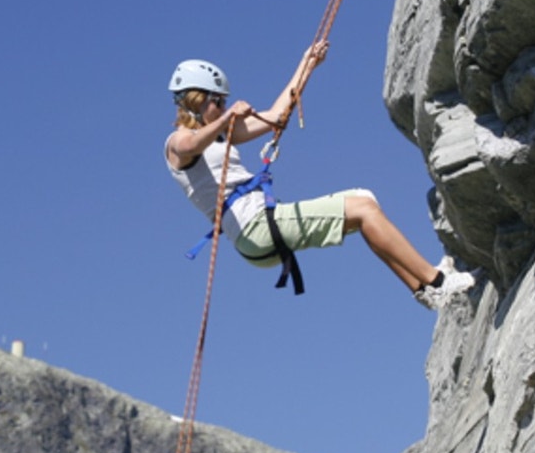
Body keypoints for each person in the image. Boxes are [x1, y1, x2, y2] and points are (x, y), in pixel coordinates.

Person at [164, 43, 476, 309]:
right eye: (217, 101)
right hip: (253, 226)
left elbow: (275, 117)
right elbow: (191, 143)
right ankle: (439, 282)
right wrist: (228, 119)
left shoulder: (220, 136)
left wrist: (307, 64)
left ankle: (423, 290)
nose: (223, 107)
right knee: (364, 211)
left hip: (259, 225)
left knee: (364, 198)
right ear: (195, 102)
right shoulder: (177, 142)